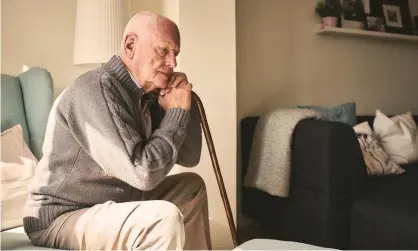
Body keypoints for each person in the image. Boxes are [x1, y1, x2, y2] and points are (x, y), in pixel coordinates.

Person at [23, 11, 212, 250]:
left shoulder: (145, 95)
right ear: (130, 45)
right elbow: (145, 174)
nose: (173, 63)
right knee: (162, 219)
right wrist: (176, 114)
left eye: (175, 54)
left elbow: (190, 156)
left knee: (191, 187)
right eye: (164, 50)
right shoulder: (96, 89)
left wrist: (183, 107)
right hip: (64, 216)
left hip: (114, 203)